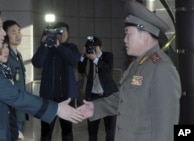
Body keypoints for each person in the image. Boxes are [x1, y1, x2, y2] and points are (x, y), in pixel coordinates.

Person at [0, 7, 83, 141]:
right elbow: (11, 94)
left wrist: (12, 131)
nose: (4, 33)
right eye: (0, 27)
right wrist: (56, 109)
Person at [77, 1, 181, 141]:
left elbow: (165, 128)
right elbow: (125, 99)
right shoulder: (138, 64)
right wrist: (96, 108)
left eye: (128, 34)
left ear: (144, 35)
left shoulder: (162, 68)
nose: (124, 40)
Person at [32, 21, 81, 141]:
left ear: (68, 34)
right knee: (46, 131)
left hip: (67, 97)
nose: (62, 34)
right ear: (53, 34)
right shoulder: (47, 48)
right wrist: (44, 45)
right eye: (59, 32)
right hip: (49, 97)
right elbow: (37, 62)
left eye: (65, 32)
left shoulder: (71, 48)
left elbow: (74, 59)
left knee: (67, 131)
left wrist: (59, 46)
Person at [77, 36, 118, 141]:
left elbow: (108, 68)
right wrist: (82, 56)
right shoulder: (88, 57)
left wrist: (95, 59)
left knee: (110, 129)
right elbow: (81, 70)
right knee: (92, 129)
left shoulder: (108, 55)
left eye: (94, 47)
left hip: (108, 96)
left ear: (100, 47)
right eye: (90, 47)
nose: (92, 49)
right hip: (93, 97)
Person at [0, 41, 24, 141]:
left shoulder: (5, 68)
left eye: (7, 47)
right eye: (2, 47)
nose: (6, 51)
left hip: (10, 116)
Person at [3, 20, 28, 134]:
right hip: (11, 109)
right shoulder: (5, 56)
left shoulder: (18, 55)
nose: (18, 35)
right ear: (5, 34)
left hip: (20, 107)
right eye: (13, 32)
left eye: (19, 31)